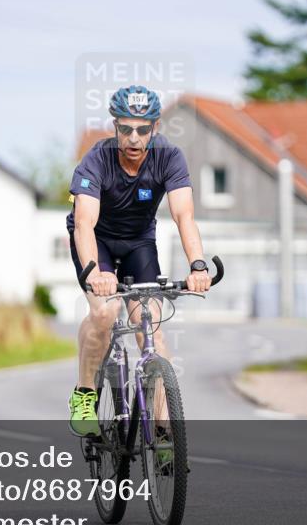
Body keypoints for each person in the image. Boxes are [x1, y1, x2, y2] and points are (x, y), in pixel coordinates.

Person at [67, 85, 212, 437]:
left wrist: (197, 265)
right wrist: (96, 275)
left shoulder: (169, 157)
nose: (134, 138)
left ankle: (163, 434)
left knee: (152, 329)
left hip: (138, 242)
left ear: (156, 127)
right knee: (104, 312)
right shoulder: (97, 159)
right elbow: (84, 223)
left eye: (143, 129)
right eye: (126, 128)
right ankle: (85, 392)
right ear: (115, 127)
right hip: (96, 240)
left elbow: (184, 216)